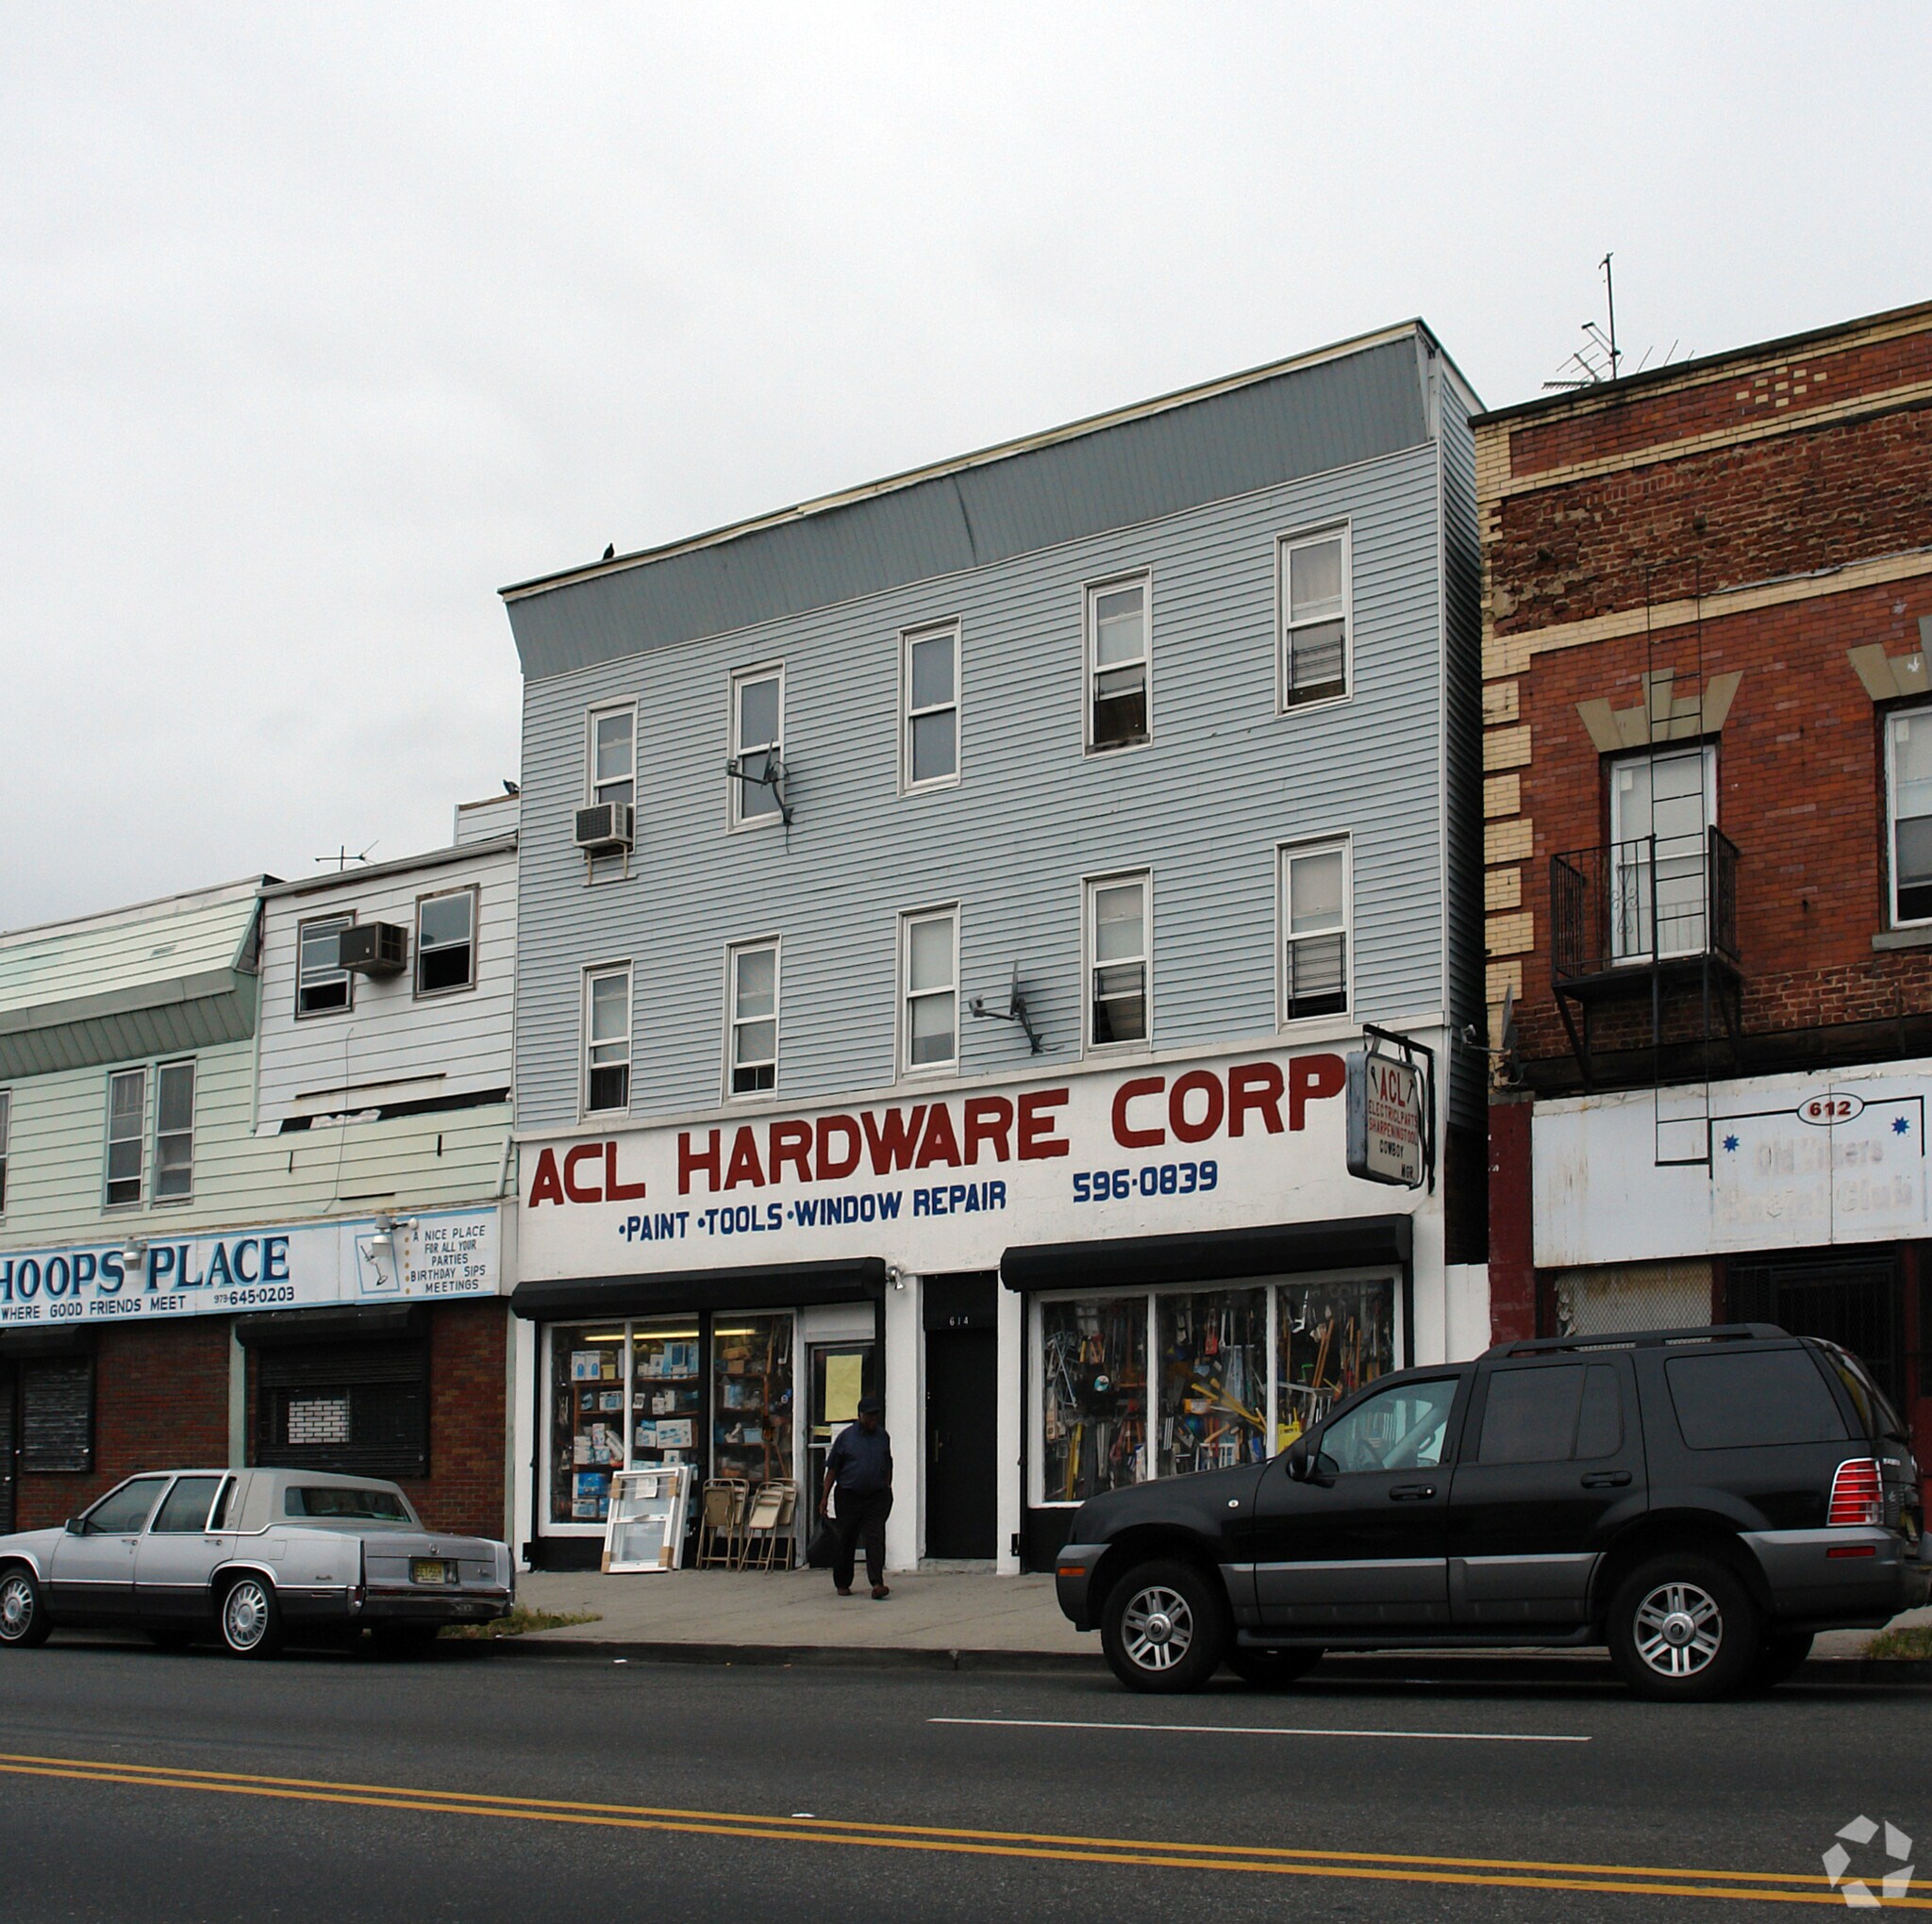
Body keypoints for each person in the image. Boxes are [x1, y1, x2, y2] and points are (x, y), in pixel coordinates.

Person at [820, 1395, 892, 1599]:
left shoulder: (882, 1437)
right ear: (860, 1416)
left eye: (876, 1416)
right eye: (869, 1416)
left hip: (876, 1497)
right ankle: (842, 1582)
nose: (873, 1420)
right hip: (849, 1496)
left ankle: (877, 1582)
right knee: (846, 1539)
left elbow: (888, 1463)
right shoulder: (846, 1438)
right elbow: (833, 1469)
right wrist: (824, 1497)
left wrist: (887, 1488)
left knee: (875, 1537)